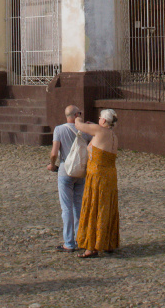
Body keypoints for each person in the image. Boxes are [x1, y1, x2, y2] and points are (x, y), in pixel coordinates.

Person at [72, 108, 119, 259]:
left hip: (97, 175)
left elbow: (78, 126)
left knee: (94, 206)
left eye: (100, 118)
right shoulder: (112, 135)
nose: (99, 120)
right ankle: (107, 242)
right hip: (110, 175)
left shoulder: (99, 131)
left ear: (103, 120)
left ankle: (91, 246)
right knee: (106, 207)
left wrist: (77, 116)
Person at [46, 104, 89, 252]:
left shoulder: (59, 129)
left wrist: (52, 164)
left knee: (67, 208)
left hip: (65, 169)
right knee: (78, 206)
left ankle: (69, 243)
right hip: (81, 170)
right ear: (77, 115)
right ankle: (81, 238)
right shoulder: (85, 130)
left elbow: (54, 152)